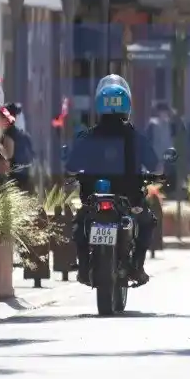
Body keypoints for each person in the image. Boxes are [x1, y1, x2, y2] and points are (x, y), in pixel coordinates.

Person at [64, 75, 162, 286]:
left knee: (79, 224)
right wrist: (156, 173)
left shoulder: (88, 136)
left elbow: (70, 166)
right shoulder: (135, 137)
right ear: (127, 105)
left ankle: (82, 267)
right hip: (130, 199)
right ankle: (137, 265)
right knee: (147, 222)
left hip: (93, 199)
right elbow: (155, 165)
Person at [0, 103, 35, 190]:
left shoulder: (8, 135)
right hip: (27, 177)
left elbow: (8, 156)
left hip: (15, 182)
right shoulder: (24, 134)